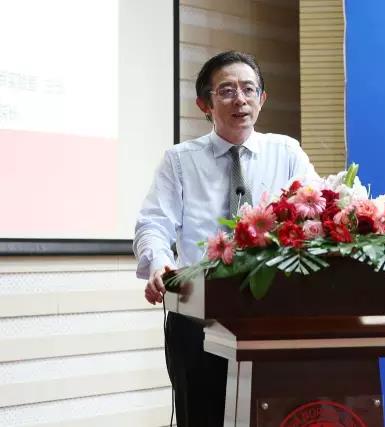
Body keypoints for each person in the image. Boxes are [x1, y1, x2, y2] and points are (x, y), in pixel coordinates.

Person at [134, 51, 317, 426]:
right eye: (227, 90)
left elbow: (317, 214)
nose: (241, 100)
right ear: (205, 104)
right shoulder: (180, 161)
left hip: (274, 318)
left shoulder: (287, 153)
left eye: (249, 89)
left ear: (262, 99)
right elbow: (153, 223)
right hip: (198, 318)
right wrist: (159, 264)